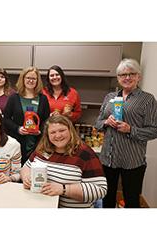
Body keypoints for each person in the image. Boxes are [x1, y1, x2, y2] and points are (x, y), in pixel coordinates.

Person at [95, 58, 157, 208]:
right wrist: (105, 122)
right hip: (108, 159)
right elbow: (97, 123)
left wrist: (130, 130)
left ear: (138, 76)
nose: (127, 77)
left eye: (131, 74)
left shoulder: (147, 99)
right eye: (123, 74)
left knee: (131, 200)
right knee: (107, 198)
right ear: (118, 78)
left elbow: (154, 130)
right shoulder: (110, 97)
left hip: (132, 161)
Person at [20, 115, 107, 208]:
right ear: (47, 135)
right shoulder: (43, 149)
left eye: (62, 130)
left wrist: (64, 189)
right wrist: (26, 177)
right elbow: (26, 167)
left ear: (70, 130)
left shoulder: (85, 154)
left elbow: (100, 190)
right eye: (53, 132)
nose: (58, 135)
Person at [4, 66, 50, 165]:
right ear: (23, 79)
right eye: (28, 78)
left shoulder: (43, 99)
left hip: (37, 143)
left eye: (34, 78)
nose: (31, 80)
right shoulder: (14, 98)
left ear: (38, 81)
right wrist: (18, 129)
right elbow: (6, 119)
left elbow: (47, 120)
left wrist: (40, 131)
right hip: (17, 142)